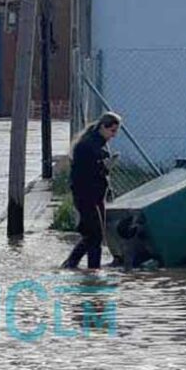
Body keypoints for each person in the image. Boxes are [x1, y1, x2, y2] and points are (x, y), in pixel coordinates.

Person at [62, 112, 122, 270]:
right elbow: (85, 173)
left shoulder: (96, 143)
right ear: (103, 127)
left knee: (93, 236)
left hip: (94, 196)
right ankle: (89, 269)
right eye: (112, 131)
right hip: (87, 196)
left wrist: (104, 168)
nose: (113, 135)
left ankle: (76, 266)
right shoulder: (88, 145)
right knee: (94, 236)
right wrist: (103, 167)